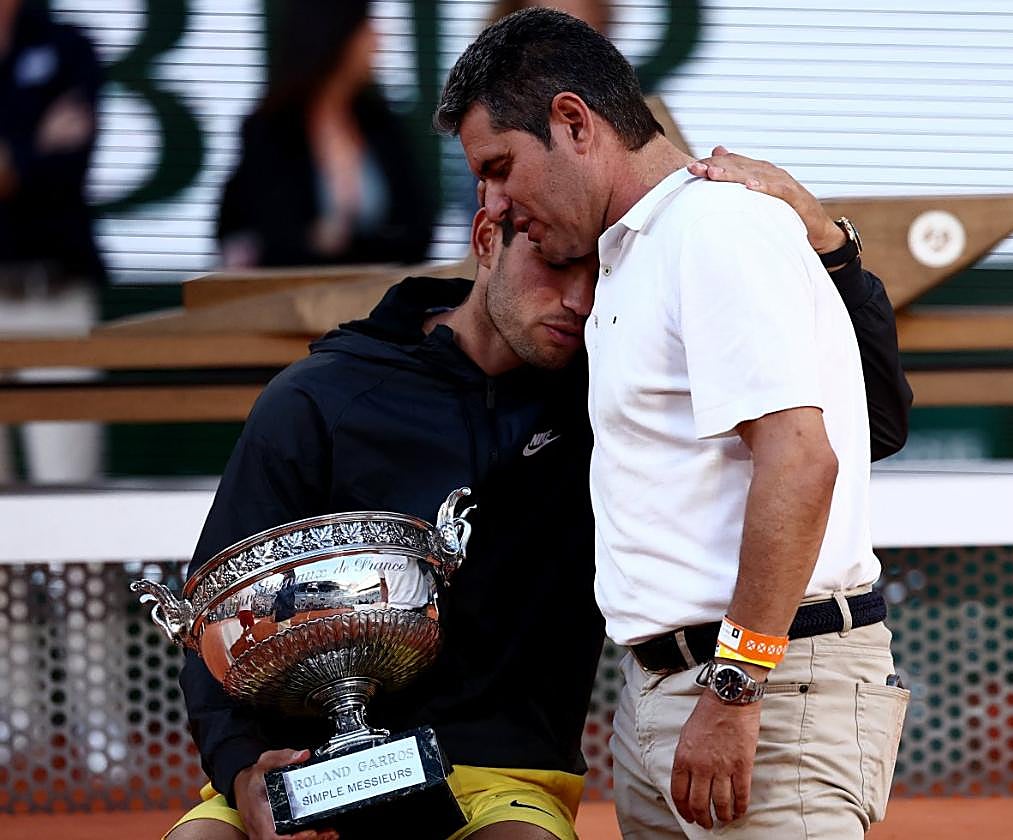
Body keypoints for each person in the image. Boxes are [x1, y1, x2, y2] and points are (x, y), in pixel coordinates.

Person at [167, 173, 908, 839]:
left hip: (502, 780)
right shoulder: (322, 395)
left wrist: (832, 248)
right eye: (555, 265)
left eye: (600, 279)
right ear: (487, 238)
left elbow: (869, 424)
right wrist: (240, 771)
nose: (580, 301)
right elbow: (214, 609)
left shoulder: (615, 397)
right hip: (301, 765)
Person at [436, 8, 909, 838]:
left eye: (501, 167)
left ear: (573, 121)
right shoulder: (629, 254)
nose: (495, 200)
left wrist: (735, 690)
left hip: (763, 691)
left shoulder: (712, 228)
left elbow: (803, 462)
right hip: (667, 696)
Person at [215, 0, 434, 269]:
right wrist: (370, 246)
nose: (378, 40)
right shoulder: (270, 131)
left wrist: (336, 244)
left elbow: (419, 230)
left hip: (380, 300)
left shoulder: (383, 124)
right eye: (366, 27)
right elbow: (274, 240)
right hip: (290, 303)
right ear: (336, 35)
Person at [0, 0, 106, 484]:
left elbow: (68, 169)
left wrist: (14, 162)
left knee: (68, 488)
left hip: (53, 294)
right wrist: (34, 146)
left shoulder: (67, 46)